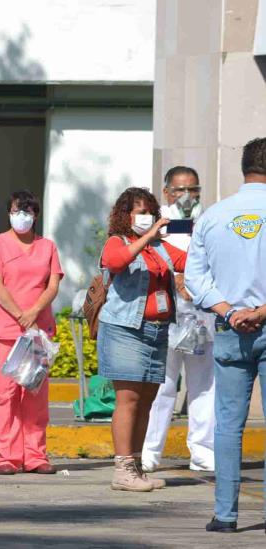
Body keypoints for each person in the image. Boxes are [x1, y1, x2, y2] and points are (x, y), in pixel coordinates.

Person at [185, 137, 266, 534]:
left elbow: (195, 281)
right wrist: (261, 312)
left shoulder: (213, 216)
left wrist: (231, 312)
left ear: (244, 169)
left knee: (228, 424)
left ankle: (225, 515)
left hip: (229, 329)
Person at [97, 187, 186, 492]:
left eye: (150, 211)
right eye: (140, 211)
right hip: (125, 331)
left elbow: (188, 261)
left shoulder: (161, 248)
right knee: (129, 400)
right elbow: (117, 262)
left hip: (157, 332)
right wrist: (149, 237)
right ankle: (121, 469)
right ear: (125, 215)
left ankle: (135, 467)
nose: (147, 217)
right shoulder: (117, 242)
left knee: (146, 401)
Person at [0, 190, 64, 475]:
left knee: (35, 394)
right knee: (5, 395)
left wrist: (33, 314)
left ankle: (36, 455)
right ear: (8, 213)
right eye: (17, 211)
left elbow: (52, 286)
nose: (22, 217)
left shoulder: (48, 247)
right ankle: (6, 456)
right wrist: (20, 314)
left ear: (36, 216)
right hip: (5, 332)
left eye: (28, 212)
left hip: (38, 332)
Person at [141, 167, 215, 473]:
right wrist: (178, 281)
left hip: (201, 316)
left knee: (204, 385)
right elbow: (149, 258)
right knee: (162, 385)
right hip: (167, 315)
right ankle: (149, 451)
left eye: (192, 189)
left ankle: (203, 451)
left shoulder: (209, 220)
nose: (186, 196)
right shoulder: (158, 224)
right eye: (179, 189)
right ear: (167, 191)